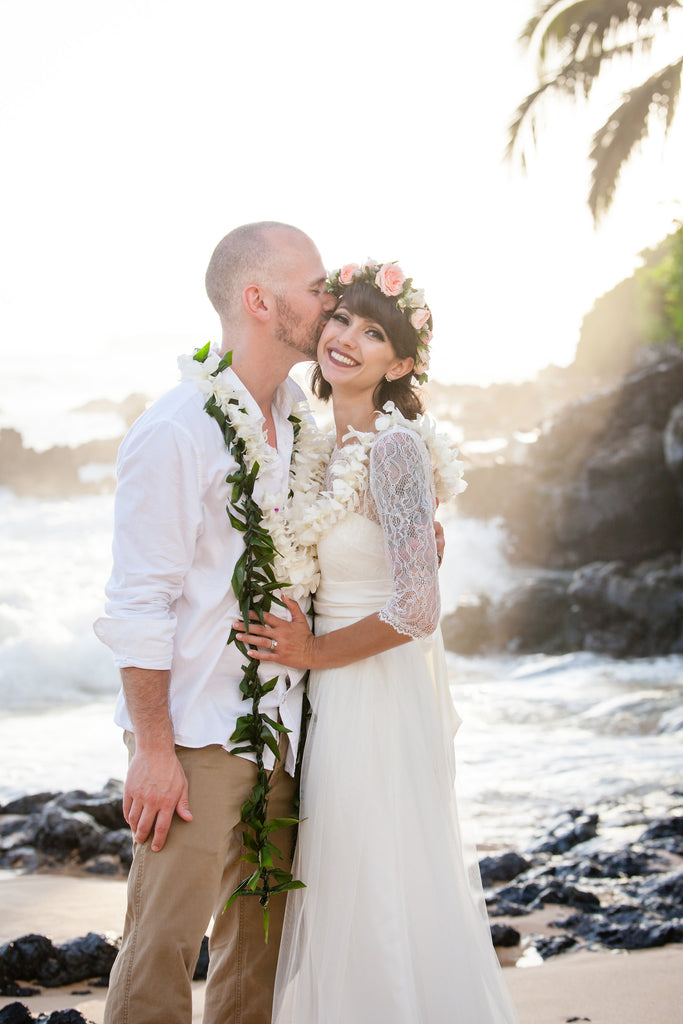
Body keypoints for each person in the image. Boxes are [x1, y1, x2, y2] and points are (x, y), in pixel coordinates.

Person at [234, 260, 520, 1023]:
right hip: (336, 693)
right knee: (353, 881)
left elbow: (418, 605)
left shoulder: (392, 451)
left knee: (373, 878)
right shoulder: (325, 450)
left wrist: (310, 653)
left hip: (373, 693)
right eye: (341, 320)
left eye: (374, 333)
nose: (347, 340)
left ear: (399, 363)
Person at [93, 221, 338, 1024]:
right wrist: (154, 751)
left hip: (285, 731)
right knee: (162, 945)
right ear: (259, 300)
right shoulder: (175, 430)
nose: (330, 299)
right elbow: (137, 605)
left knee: (257, 957)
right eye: (315, 284)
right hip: (195, 739)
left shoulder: (304, 425)